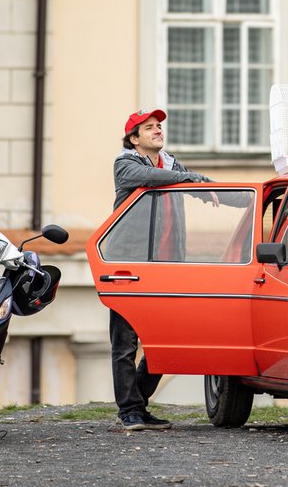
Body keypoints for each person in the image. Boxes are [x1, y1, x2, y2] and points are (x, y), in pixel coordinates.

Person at [109, 108, 213, 431]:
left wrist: (244, 197)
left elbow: (201, 184)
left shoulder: (170, 163)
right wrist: (189, 177)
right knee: (125, 343)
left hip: (166, 267)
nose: (157, 131)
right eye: (149, 128)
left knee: (164, 339)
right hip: (129, 266)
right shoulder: (125, 164)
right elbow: (150, 180)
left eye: (159, 126)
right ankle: (130, 411)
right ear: (134, 138)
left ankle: (136, 404)